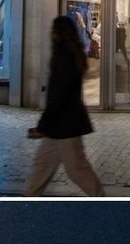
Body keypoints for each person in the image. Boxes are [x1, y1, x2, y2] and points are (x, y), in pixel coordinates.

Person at [25, 15, 105, 197]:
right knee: (43, 165)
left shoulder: (63, 58)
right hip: (59, 126)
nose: (51, 34)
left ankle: (100, 198)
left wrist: (42, 126)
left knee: (76, 169)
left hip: (65, 126)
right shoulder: (73, 54)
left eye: (53, 31)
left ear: (58, 33)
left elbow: (57, 96)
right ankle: (28, 199)